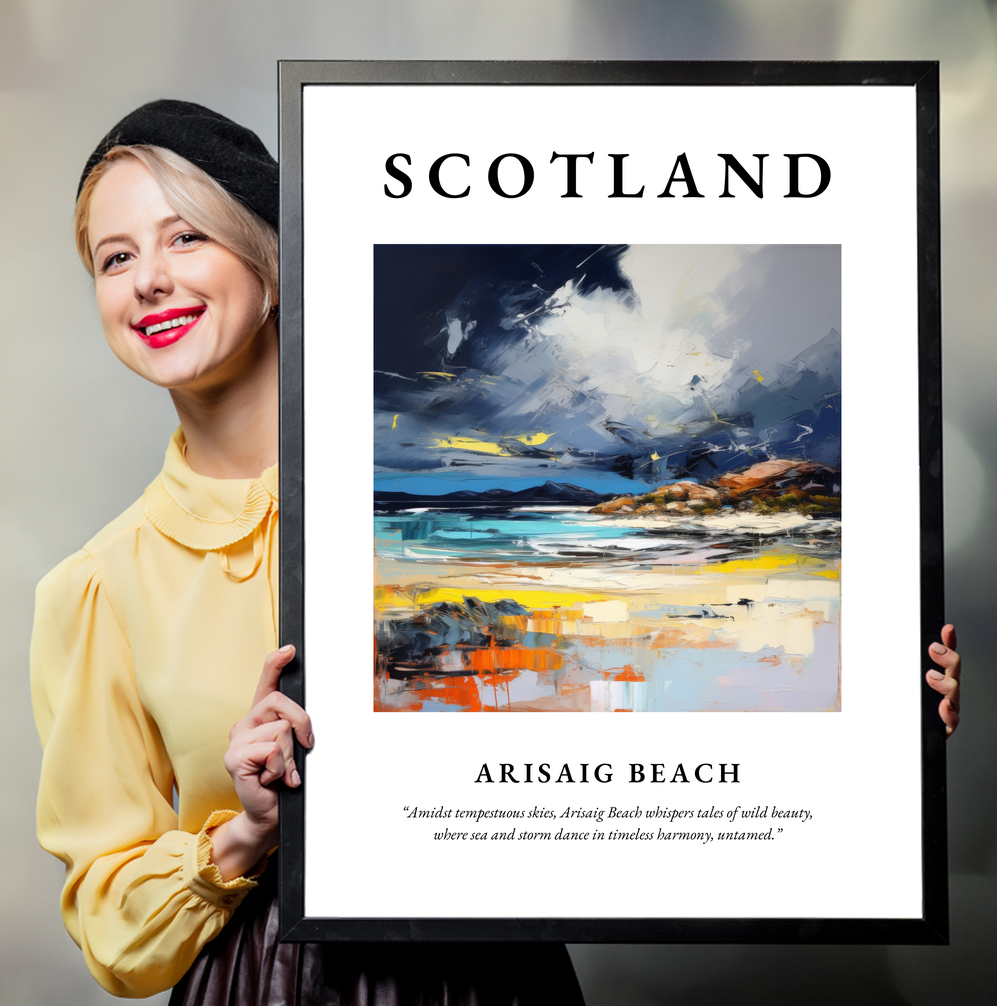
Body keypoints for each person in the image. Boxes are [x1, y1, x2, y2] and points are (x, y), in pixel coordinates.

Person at [30, 100, 585, 1004]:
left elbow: (617, 694)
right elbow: (110, 924)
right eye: (116, 257)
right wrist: (245, 832)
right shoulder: (97, 587)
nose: (148, 281)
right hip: (263, 981)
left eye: (186, 239)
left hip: (492, 973)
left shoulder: (451, 496)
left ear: (273, 264)